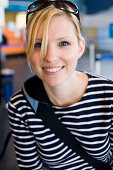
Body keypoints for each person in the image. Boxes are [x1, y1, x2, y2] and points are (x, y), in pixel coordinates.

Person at [8, 0, 113, 169]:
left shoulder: (108, 95)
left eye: (63, 43)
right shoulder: (20, 106)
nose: (50, 57)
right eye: (38, 44)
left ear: (80, 47)